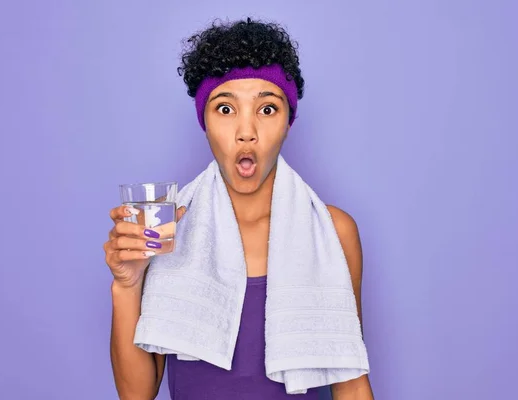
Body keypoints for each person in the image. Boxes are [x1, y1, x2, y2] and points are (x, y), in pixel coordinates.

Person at [104, 17, 374, 399]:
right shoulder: (164, 229)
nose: (246, 131)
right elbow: (137, 394)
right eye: (225, 109)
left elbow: (351, 380)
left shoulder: (333, 231)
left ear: (288, 123)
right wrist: (126, 285)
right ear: (204, 121)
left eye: (267, 110)